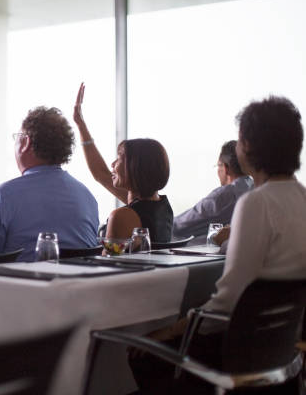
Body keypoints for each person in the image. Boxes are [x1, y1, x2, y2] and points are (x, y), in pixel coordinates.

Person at [129, 95, 306, 394]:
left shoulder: (256, 203)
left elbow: (228, 302)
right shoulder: (301, 198)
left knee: (142, 351)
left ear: (248, 146)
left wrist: (173, 329)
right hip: (281, 358)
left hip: (235, 359)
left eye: (238, 140)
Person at [0, 106, 99, 261]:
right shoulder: (87, 197)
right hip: (79, 284)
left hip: (21, 284)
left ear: (26, 142)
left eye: (17, 137)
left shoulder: (4, 196)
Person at [74, 83, 173, 242]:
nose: (112, 164)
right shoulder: (161, 207)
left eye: (119, 158)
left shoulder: (123, 216)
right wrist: (81, 125)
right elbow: (101, 174)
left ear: (136, 168)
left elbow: (109, 263)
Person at [173, 141, 253, 242]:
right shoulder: (255, 189)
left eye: (218, 165)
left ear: (226, 168)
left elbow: (181, 224)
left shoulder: (225, 195)